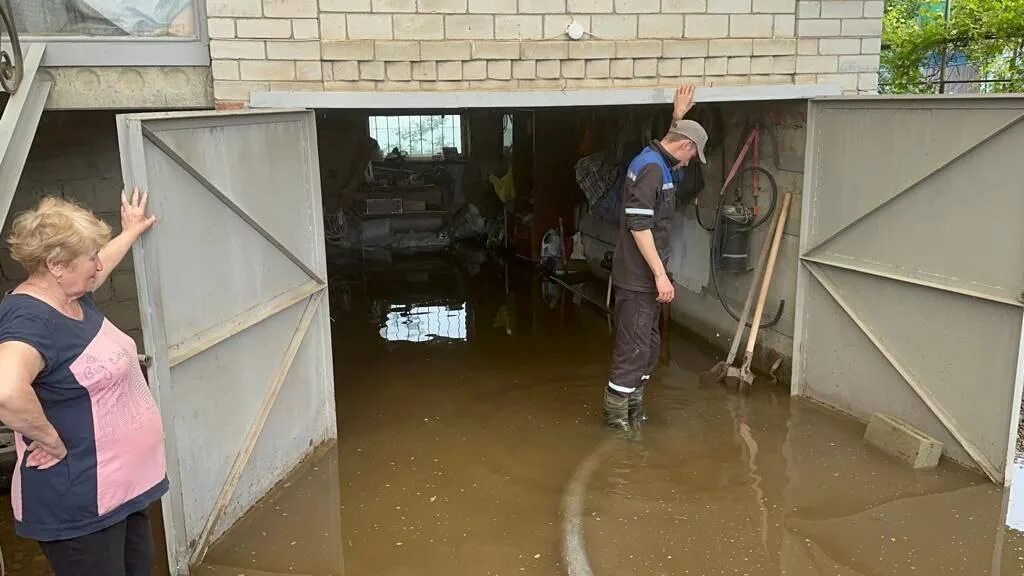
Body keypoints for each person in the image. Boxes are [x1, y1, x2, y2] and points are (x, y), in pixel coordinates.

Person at [0, 190, 164, 575]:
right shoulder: (29, 318)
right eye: (89, 257)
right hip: (79, 503)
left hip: (121, 490)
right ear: (56, 264)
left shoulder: (72, 294)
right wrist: (49, 439)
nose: (97, 265)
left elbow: (101, 264)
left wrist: (131, 231)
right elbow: (6, 390)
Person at [605, 85, 709, 432]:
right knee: (633, 351)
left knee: (648, 348)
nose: (689, 163)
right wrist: (660, 275)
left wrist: (679, 117)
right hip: (637, 277)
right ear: (686, 146)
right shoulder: (650, 168)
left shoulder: (657, 162)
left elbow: (673, 153)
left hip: (644, 278)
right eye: (692, 155)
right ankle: (617, 430)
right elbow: (638, 225)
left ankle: (635, 416)